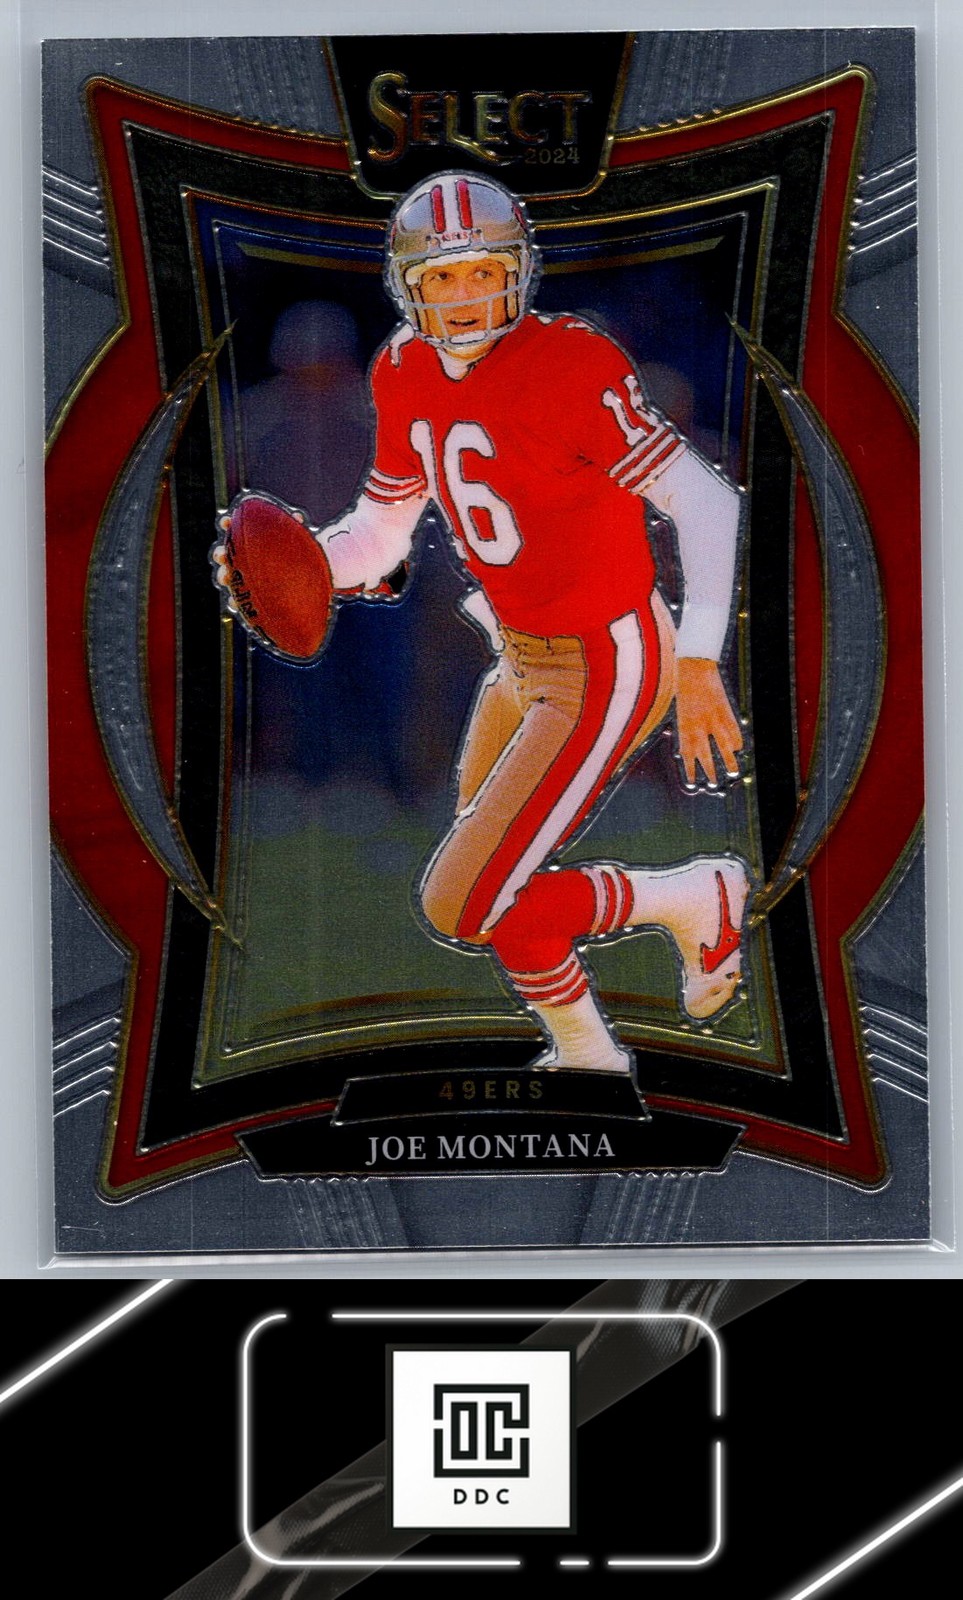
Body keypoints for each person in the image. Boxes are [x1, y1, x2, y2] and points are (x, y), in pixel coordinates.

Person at [217, 171, 750, 1075]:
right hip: (516, 655)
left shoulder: (571, 360)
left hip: (605, 656)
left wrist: (698, 661)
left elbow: (706, 503)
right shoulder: (401, 367)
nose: (462, 295)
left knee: (459, 900)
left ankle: (686, 895)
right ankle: (589, 1052)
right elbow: (381, 532)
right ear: (406, 285)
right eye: (440, 277)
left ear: (518, 272)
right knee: (496, 882)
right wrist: (301, 567)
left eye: (481, 272)